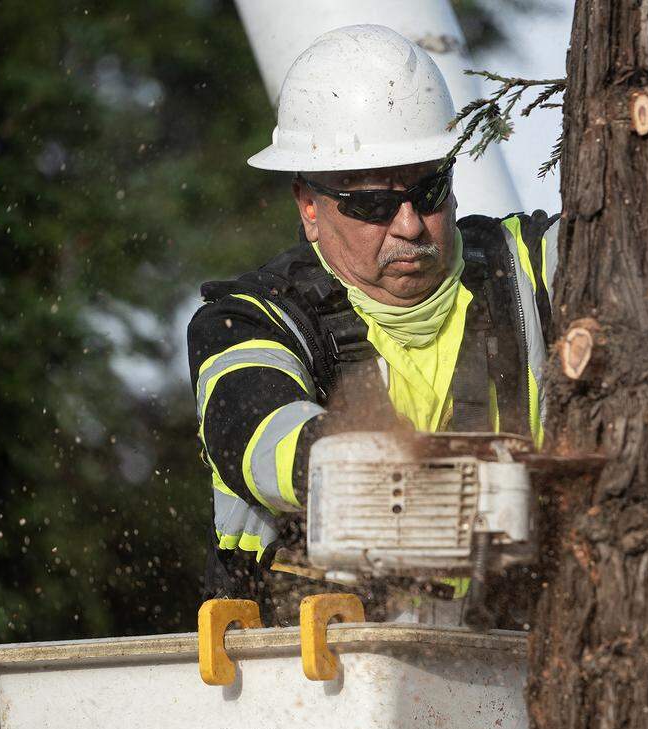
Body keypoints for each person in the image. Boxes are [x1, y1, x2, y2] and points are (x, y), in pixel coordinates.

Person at [186, 24, 557, 624]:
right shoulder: (250, 319)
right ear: (309, 207)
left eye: (429, 189)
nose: (409, 225)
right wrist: (382, 475)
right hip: (318, 687)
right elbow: (258, 433)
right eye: (373, 204)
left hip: (507, 673)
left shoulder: (531, 268)